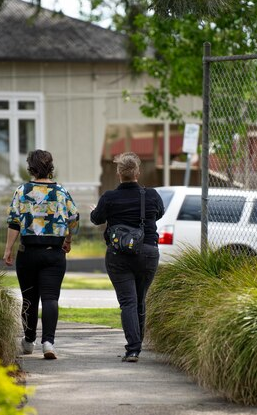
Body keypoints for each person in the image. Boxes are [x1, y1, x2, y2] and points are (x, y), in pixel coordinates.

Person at [3, 149, 79, 359]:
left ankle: (28, 342)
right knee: (51, 298)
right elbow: (74, 218)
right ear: (50, 167)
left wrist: (8, 249)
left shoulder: (22, 191)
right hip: (53, 253)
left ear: (31, 167)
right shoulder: (61, 192)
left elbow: (13, 222)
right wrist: (68, 240)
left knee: (29, 299)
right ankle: (48, 343)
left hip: (28, 253)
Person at [90, 152, 164, 363]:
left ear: (118, 173)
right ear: (137, 173)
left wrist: (98, 211)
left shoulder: (109, 198)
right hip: (148, 251)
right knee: (140, 299)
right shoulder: (151, 196)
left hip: (118, 255)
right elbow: (159, 213)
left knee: (128, 302)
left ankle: (133, 349)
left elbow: (96, 219)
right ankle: (137, 343)